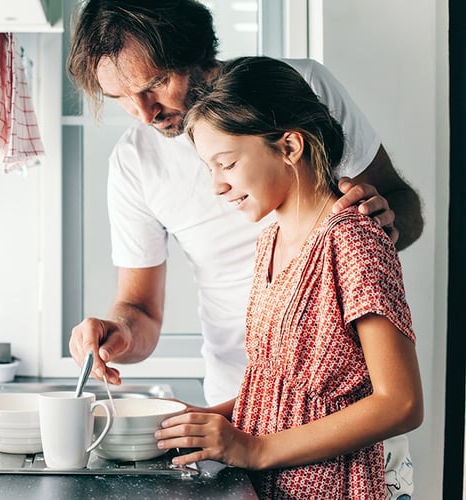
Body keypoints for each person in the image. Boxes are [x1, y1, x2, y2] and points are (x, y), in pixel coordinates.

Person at [66, 0, 422, 497]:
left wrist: (377, 231)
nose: (143, 113)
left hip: (338, 445)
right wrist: (124, 339)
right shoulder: (264, 236)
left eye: (152, 85)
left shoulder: (301, 92)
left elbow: (399, 400)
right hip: (246, 412)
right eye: (120, 98)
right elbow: (142, 311)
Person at [152, 55, 423, 498]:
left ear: (290, 147)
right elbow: (278, 388)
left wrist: (255, 450)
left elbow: (402, 403)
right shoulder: (269, 242)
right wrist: (203, 420)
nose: (216, 186)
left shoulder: (354, 240)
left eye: (227, 163)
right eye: (209, 169)